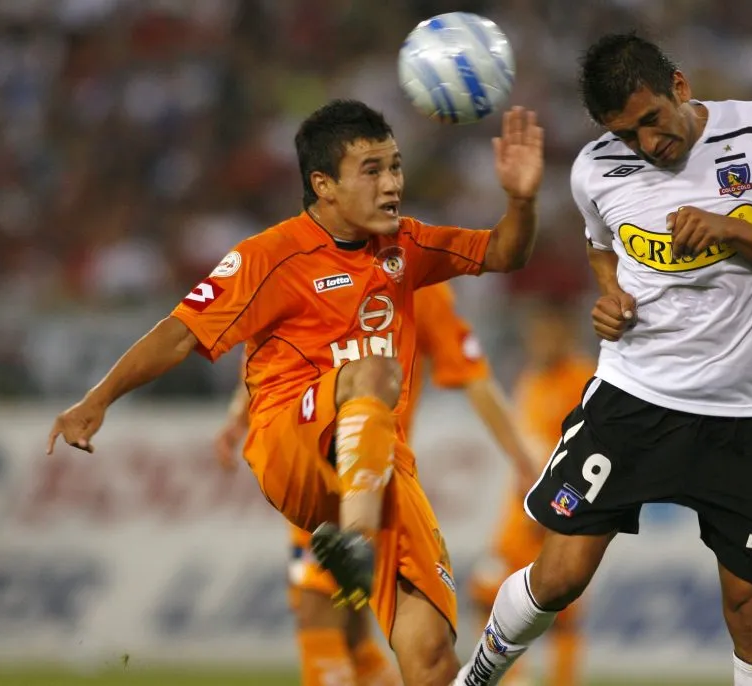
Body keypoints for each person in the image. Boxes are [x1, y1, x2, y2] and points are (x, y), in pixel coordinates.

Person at [47, 99, 544, 686]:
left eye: (396, 167)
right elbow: (180, 334)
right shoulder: (268, 255)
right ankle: (353, 544)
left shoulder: (407, 246)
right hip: (291, 445)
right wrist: (96, 400)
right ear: (323, 185)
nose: (392, 185)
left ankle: (358, 548)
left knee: (432, 654)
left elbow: (504, 252)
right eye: (373, 170)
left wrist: (521, 199)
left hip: (380, 467)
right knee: (374, 369)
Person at [453, 32, 752, 686]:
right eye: (625, 134)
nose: (646, 144)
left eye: (651, 121)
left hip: (750, 414)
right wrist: (611, 297)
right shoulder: (594, 169)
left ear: (680, 88)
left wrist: (731, 228)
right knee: (559, 576)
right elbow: (602, 244)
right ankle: (476, 677)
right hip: (637, 395)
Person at [214, 281, 539, 686]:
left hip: (380, 479)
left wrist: (523, 460)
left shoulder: (419, 284)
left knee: (414, 643)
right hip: (313, 461)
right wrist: (239, 411)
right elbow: (274, 354)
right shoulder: (309, 265)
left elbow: (473, 374)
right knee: (334, 625)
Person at [467, 299, 594, 686]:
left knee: (557, 609)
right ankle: (516, 678)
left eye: (546, 334)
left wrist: (560, 509)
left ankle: (548, 679)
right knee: (491, 595)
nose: (537, 342)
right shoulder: (531, 380)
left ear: (565, 335)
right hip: (519, 517)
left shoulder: (582, 379)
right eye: (533, 335)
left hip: (552, 514)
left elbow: (587, 452)